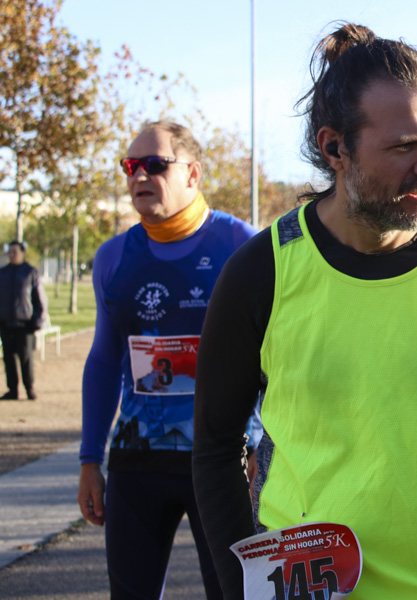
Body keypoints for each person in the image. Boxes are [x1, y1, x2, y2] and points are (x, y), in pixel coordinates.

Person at [191, 24, 417, 600]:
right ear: (335, 147)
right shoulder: (262, 271)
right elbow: (214, 445)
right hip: (307, 589)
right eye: (405, 146)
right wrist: (244, 588)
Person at [77, 121, 261, 599]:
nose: (140, 175)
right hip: (138, 460)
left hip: (225, 460)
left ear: (193, 174)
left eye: (155, 165)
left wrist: (267, 446)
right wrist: (89, 460)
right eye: (131, 166)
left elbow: (276, 358)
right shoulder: (112, 257)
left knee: (236, 594)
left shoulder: (242, 245)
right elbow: (102, 360)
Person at [0, 240, 46, 400]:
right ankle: (12, 390)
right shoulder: (2, 273)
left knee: (26, 358)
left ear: (22, 252)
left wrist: (38, 320)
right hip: (5, 323)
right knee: (8, 359)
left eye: (15, 251)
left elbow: (39, 299)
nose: (12, 254)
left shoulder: (30, 272)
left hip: (25, 324)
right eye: (10, 251)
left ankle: (29, 388)